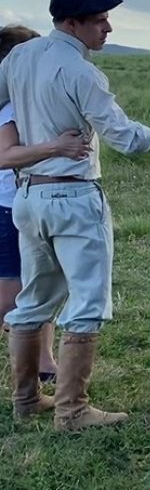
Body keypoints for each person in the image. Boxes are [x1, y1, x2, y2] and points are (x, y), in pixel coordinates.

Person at [0, 0, 150, 430]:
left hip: (29, 194)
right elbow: (127, 138)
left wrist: (33, 143)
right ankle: (72, 410)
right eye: (98, 20)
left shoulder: (19, 57)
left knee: (33, 299)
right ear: (71, 23)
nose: (108, 27)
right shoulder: (81, 72)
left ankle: (26, 399)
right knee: (88, 301)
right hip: (73, 197)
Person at [0, 24, 93, 385]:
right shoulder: (8, 108)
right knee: (12, 295)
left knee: (41, 287)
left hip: (25, 202)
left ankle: (43, 363)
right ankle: (27, 373)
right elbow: (5, 157)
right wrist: (57, 147)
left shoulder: (24, 100)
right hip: (8, 207)